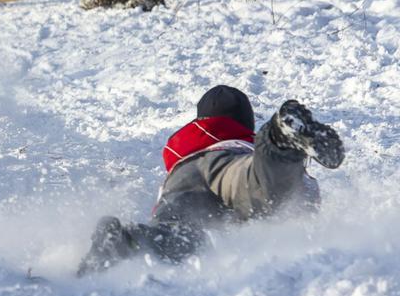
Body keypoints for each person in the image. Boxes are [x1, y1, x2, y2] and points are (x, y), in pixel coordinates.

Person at [78, 88, 345, 275]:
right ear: (246, 122)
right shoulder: (240, 145)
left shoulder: (185, 150)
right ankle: (279, 140)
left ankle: (125, 239)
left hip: (182, 180)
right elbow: (290, 197)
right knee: (261, 191)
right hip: (230, 166)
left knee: (180, 235)